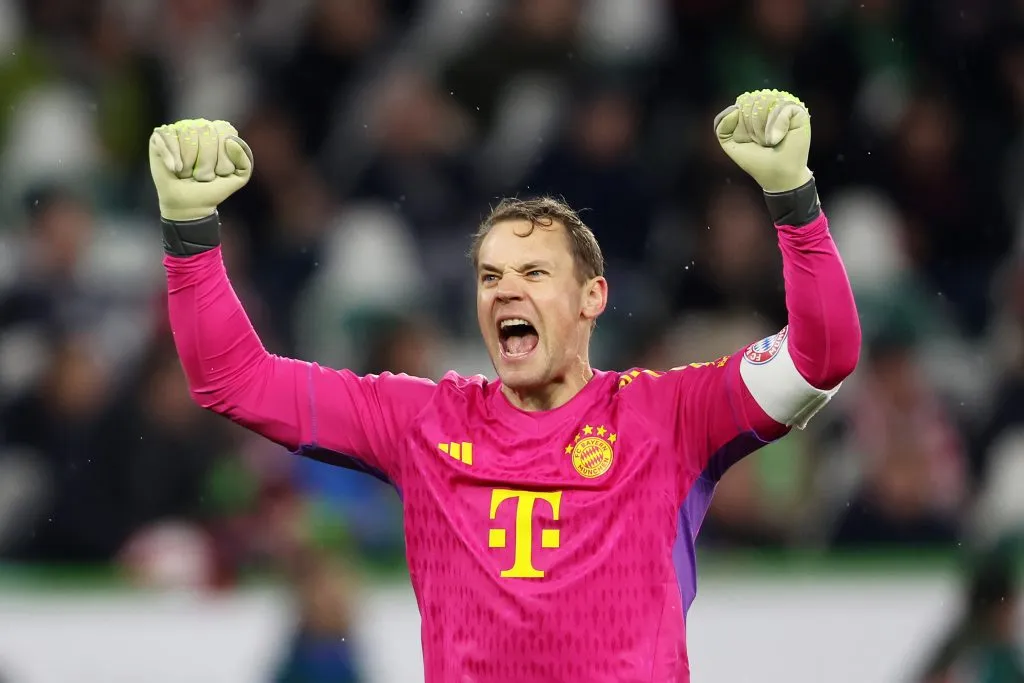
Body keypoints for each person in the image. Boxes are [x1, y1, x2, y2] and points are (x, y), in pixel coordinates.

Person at [148, 89, 861, 682]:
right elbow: (232, 380)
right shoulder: (422, 421)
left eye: (533, 273)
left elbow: (820, 357)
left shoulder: (668, 414)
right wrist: (189, 231)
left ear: (592, 298)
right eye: (490, 276)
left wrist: (793, 201)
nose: (504, 292)